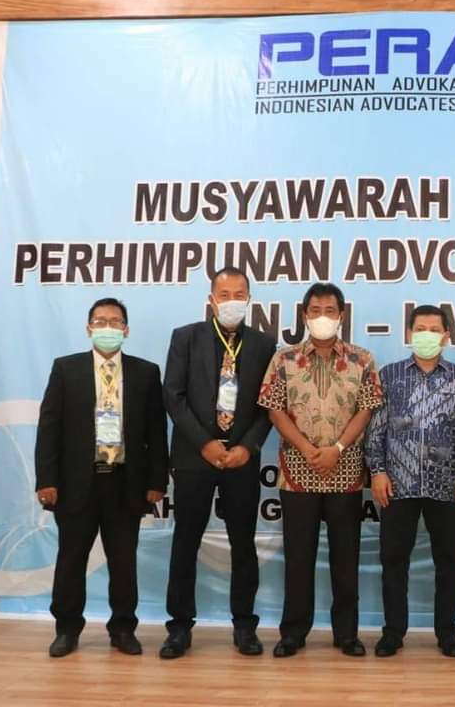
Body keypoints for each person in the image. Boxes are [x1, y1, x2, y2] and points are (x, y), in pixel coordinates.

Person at [35, 297, 167, 657]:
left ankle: (123, 629)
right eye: (100, 321)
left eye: (115, 322)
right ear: (88, 328)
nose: (108, 327)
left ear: (126, 330)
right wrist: (46, 479)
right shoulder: (66, 369)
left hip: (126, 483)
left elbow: (157, 432)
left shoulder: (146, 373)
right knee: (71, 560)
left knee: (124, 562)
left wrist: (157, 481)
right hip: (76, 483)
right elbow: (49, 428)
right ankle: (66, 629)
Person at [258, 282, 383, 658]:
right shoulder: (284, 359)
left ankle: (347, 634)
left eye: (330, 310)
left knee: (345, 559)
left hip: (346, 474)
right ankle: (293, 633)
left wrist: (338, 448)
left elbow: (366, 409)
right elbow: (274, 409)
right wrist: (306, 448)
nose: (322, 317)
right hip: (298, 474)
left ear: (341, 316)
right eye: (315, 310)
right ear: (304, 315)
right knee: (298, 559)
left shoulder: (362, 359)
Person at [159, 267, 277, 659]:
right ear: (211, 300)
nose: (231, 301)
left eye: (239, 294)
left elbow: (269, 404)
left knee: (243, 544)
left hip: (242, 458)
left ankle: (245, 626)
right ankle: (179, 628)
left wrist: (249, 446)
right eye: (224, 295)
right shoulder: (186, 337)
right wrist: (205, 443)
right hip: (195, 457)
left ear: (249, 299)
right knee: (185, 541)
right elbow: (173, 396)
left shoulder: (264, 344)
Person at [365, 305, 455, 658]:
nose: (427, 335)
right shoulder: (390, 376)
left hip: (446, 486)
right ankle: (392, 633)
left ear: (446, 336)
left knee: (449, 562)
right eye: (420, 329)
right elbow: (376, 430)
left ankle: (447, 633)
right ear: (409, 334)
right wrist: (377, 471)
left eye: (434, 329)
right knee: (393, 560)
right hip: (398, 484)